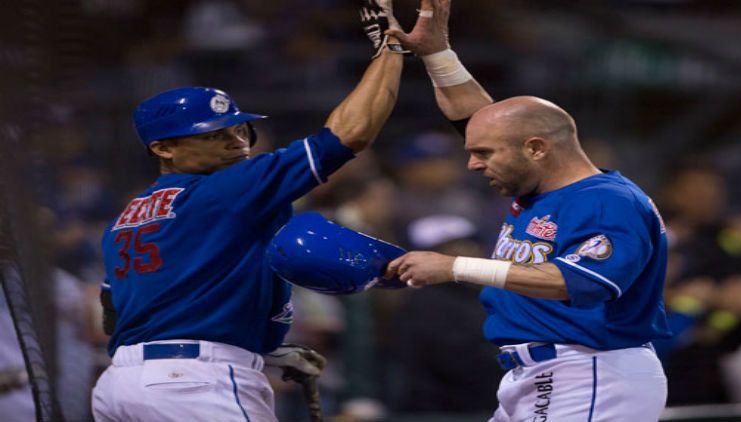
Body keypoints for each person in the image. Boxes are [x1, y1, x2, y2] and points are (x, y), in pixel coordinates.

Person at [90, 2, 407, 421]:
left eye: (240, 128)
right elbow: (350, 135)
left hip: (120, 388)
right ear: (163, 148)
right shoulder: (227, 188)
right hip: (194, 385)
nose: (236, 141)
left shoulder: (125, 218)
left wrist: (268, 353)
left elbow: (117, 314)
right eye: (213, 134)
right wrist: (390, 50)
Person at [384, 1, 672, 420]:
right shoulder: (540, 187)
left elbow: (576, 282)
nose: (472, 164)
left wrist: (455, 267)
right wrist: (436, 54)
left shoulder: (607, 200)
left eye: (483, 153)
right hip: (541, 374)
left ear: (537, 148)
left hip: (592, 370)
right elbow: (484, 120)